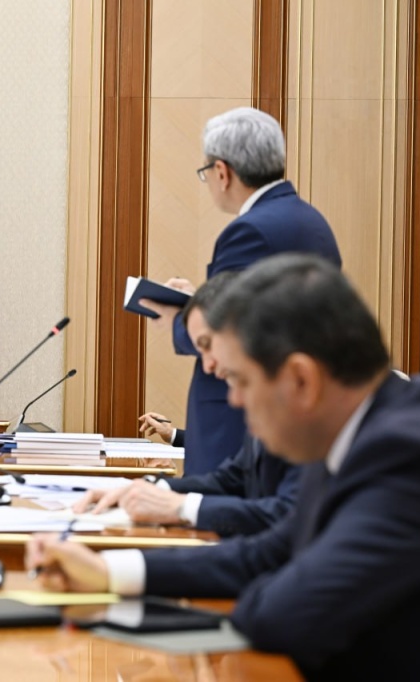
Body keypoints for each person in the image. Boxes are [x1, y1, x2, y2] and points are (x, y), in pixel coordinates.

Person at [28, 254, 420, 680]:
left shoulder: (414, 455)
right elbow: (265, 554)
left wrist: (275, 581)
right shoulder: (349, 432)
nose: (233, 399)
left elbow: (283, 614)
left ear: (301, 381)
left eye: (242, 380)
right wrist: (106, 571)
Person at [142, 107, 342, 476]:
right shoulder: (312, 222)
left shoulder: (249, 231)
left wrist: (177, 319)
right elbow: (264, 317)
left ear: (222, 171)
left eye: (207, 172)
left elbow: (229, 333)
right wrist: (201, 301)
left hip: (237, 422)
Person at [79, 273, 300, 537]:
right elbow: (234, 478)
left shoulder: (302, 410)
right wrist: (148, 489)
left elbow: (285, 518)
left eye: (207, 346)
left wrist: (181, 507)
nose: (207, 366)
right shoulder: (267, 401)